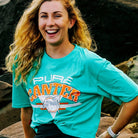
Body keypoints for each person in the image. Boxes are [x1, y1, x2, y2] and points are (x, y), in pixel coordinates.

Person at [5, 0, 138, 138]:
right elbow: (26, 111)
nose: (50, 22)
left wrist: (110, 133)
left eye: (57, 16)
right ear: (37, 22)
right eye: (44, 16)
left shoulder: (89, 63)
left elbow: (134, 97)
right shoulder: (24, 62)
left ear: (71, 22)